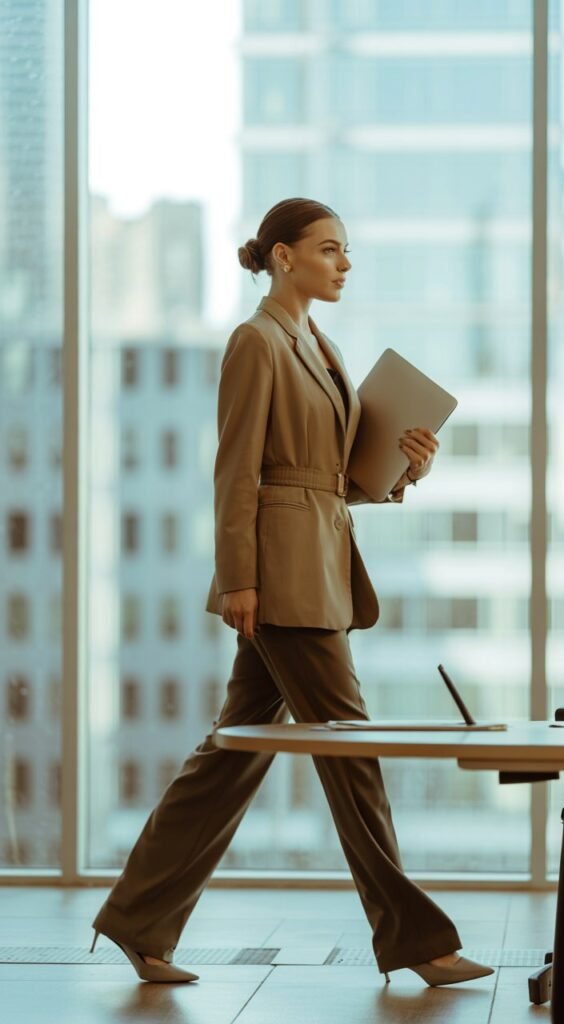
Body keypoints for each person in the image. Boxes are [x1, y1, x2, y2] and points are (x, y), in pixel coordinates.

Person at [90, 197, 493, 988]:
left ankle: (137, 920)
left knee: (231, 755)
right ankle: (416, 940)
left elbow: (336, 480)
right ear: (283, 256)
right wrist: (239, 578)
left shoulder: (323, 344)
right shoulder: (256, 341)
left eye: (346, 252)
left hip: (321, 560)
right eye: (329, 249)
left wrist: (405, 465)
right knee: (352, 754)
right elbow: (236, 467)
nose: (343, 263)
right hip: (281, 577)